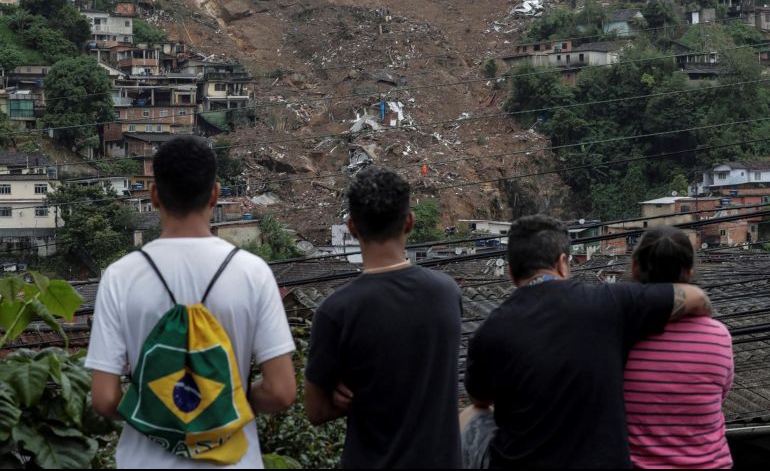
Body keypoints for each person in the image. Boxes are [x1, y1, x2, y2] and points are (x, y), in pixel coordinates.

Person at [86, 136, 297, 469]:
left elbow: (104, 398)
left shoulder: (119, 277)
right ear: (215, 194)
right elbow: (281, 391)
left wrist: (157, 411)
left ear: (154, 195)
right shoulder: (252, 272)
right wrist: (224, 404)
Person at [461, 215, 714, 469]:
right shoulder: (608, 302)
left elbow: (479, 400)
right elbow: (694, 296)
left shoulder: (488, 332)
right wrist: (707, 331)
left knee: (469, 416)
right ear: (562, 263)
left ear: (511, 272)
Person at [304, 167, 463, 468]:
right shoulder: (446, 293)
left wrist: (342, 398)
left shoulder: (336, 311)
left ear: (351, 227)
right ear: (409, 222)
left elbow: (315, 410)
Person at [625, 227, 733, 468]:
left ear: (634, 267)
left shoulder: (619, 334)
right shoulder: (719, 336)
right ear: (690, 271)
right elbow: (720, 397)